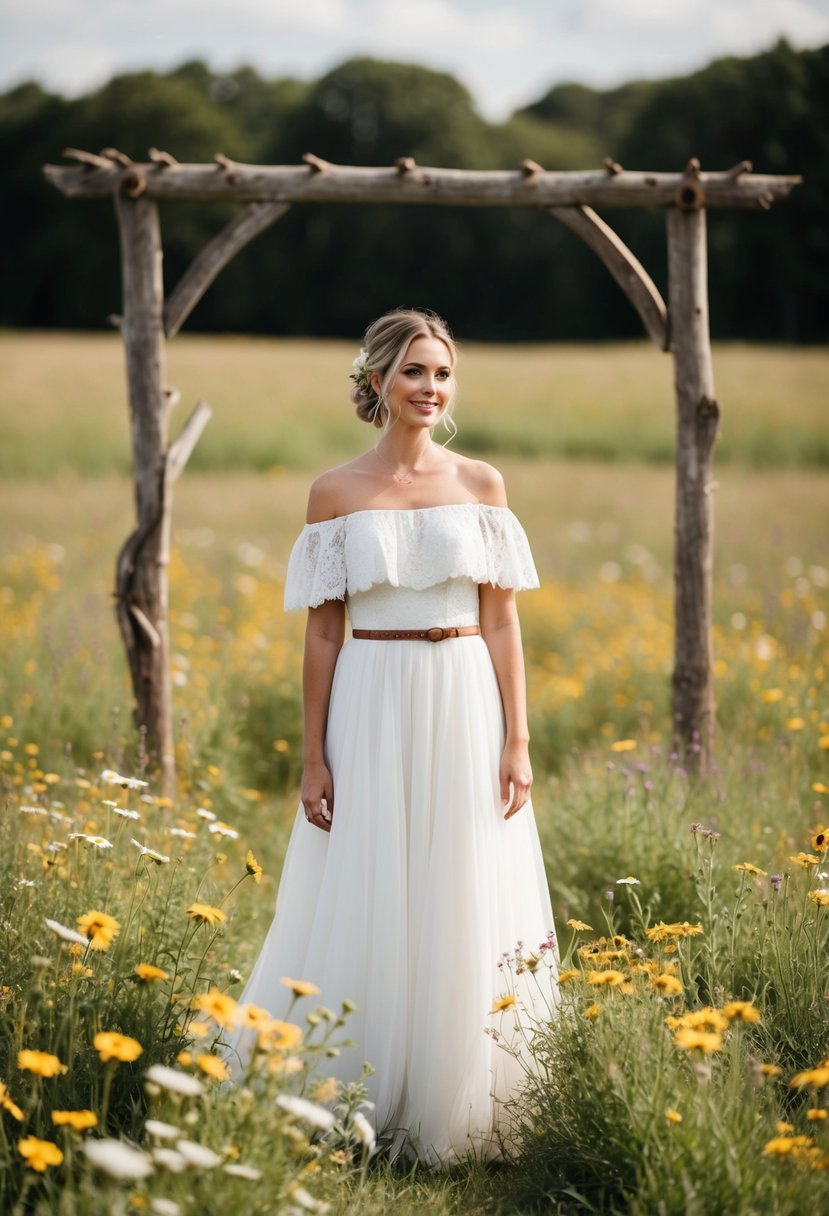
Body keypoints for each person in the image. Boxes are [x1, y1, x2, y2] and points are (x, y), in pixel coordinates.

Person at [224, 308, 559, 1167]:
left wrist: (517, 739)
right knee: (368, 880)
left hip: (462, 694)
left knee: (457, 876)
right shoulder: (334, 493)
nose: (430, 389)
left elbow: (501, 623)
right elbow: (322, 634)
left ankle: (460, 1103)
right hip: (368, 694)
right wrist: (313, 754)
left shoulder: (482, 484)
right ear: (376, 380)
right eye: (414, 372)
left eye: (442, 374)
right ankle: (352, 1092)